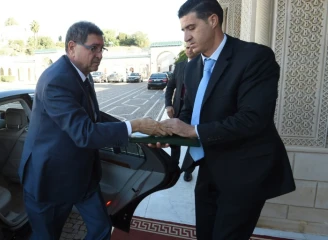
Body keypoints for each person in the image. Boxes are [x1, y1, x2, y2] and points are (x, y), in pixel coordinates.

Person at [158, 0, 296, 239]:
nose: (186, 37)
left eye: (191, 27)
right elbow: (189, 112)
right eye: (183, 30)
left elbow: (253, 119)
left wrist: (192, 131)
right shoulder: (191, 68)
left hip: (245, 171)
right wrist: (170, 131)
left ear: (213, 21)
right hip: (208, 168)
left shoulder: (255, 57)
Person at [18, 21, 165, 240]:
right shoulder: (56, 81)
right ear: (71, 47)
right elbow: (85, 132)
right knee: (46, 236)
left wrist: (139, 129)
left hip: (82, 175)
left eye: (101, 48)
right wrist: (134, 126)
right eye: (93, 48)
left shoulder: (82, 74)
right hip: (49, 179)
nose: (99, 54)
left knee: (102, 229)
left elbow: (94, 118)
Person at [165, 45, 199, 182]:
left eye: (192, 47)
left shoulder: (202, 65)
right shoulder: (179, 66)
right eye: (187, 47)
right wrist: (168, 104)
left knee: (192, 139)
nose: (189, 50)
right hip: (178, 108)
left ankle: (188, 169)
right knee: (175, 138)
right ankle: (174, 166)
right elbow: (170, 87)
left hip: (195, 110)